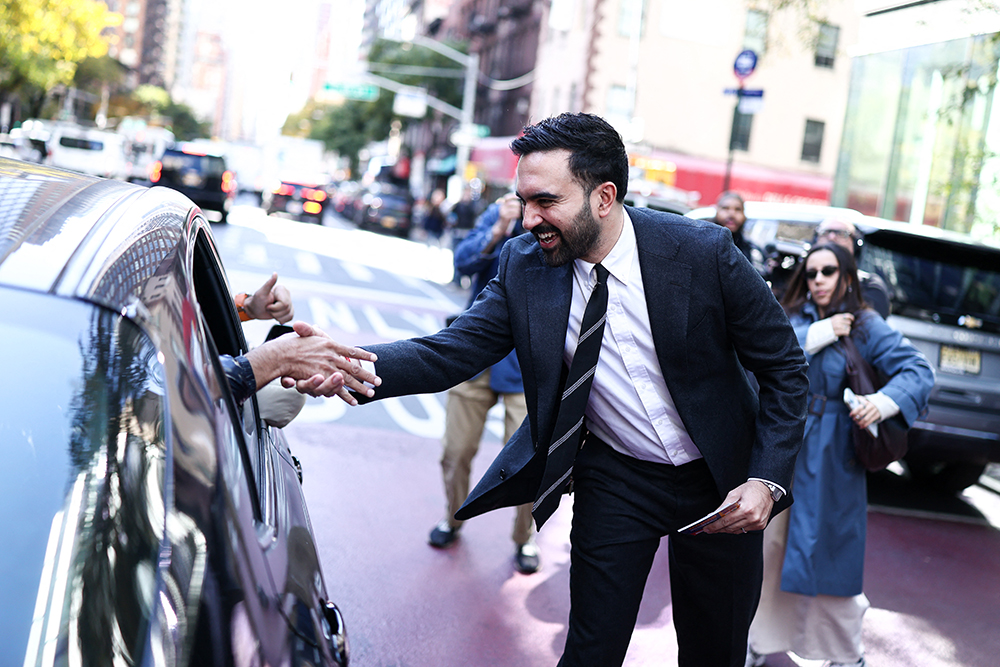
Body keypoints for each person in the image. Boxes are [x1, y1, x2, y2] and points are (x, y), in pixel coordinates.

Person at [299, 112, 810, 667]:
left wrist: (765, 480)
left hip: (723, 481)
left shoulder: (702, 252)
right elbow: (451, 351)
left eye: (546, 202)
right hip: (619, 478)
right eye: (523, 201)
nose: (528, 219)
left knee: (715, 653)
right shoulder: (524, 266)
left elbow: (785, 368)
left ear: (604, 197)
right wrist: (350, 365)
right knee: (589, 652)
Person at [746, 243, 934, 667]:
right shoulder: (793, 315)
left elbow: (918, 371)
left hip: (836, 457)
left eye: (828, 271)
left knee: (833, 557)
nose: (818, 280)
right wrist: (814, 336)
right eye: (811, 273)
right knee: (770, 548)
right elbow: (757, 353)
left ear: (847, 275)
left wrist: (882, 403)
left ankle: (845, 654)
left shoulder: (865, 326)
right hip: (786, 447)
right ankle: (758, 638)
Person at [429, 193, 539, 575]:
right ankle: (452, 518)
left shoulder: (558, 217)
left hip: (526, 365)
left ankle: (525, 538)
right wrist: (497, 230)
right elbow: (462, 261)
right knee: (456, 451)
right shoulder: (499, 211)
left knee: (530, 462)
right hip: (475, 361)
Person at [812, 217, 893, 318]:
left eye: (841, 234)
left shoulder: (870, 286)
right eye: (824, 232)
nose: (831, 237)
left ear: (855, 245)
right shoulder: (798, 282)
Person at [711, 191, 754, 263]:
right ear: (717, 212)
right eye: (725, 208)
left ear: (744, 215)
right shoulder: (704, 243)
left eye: (737, 209)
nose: (732, 214)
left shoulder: (750, 250)